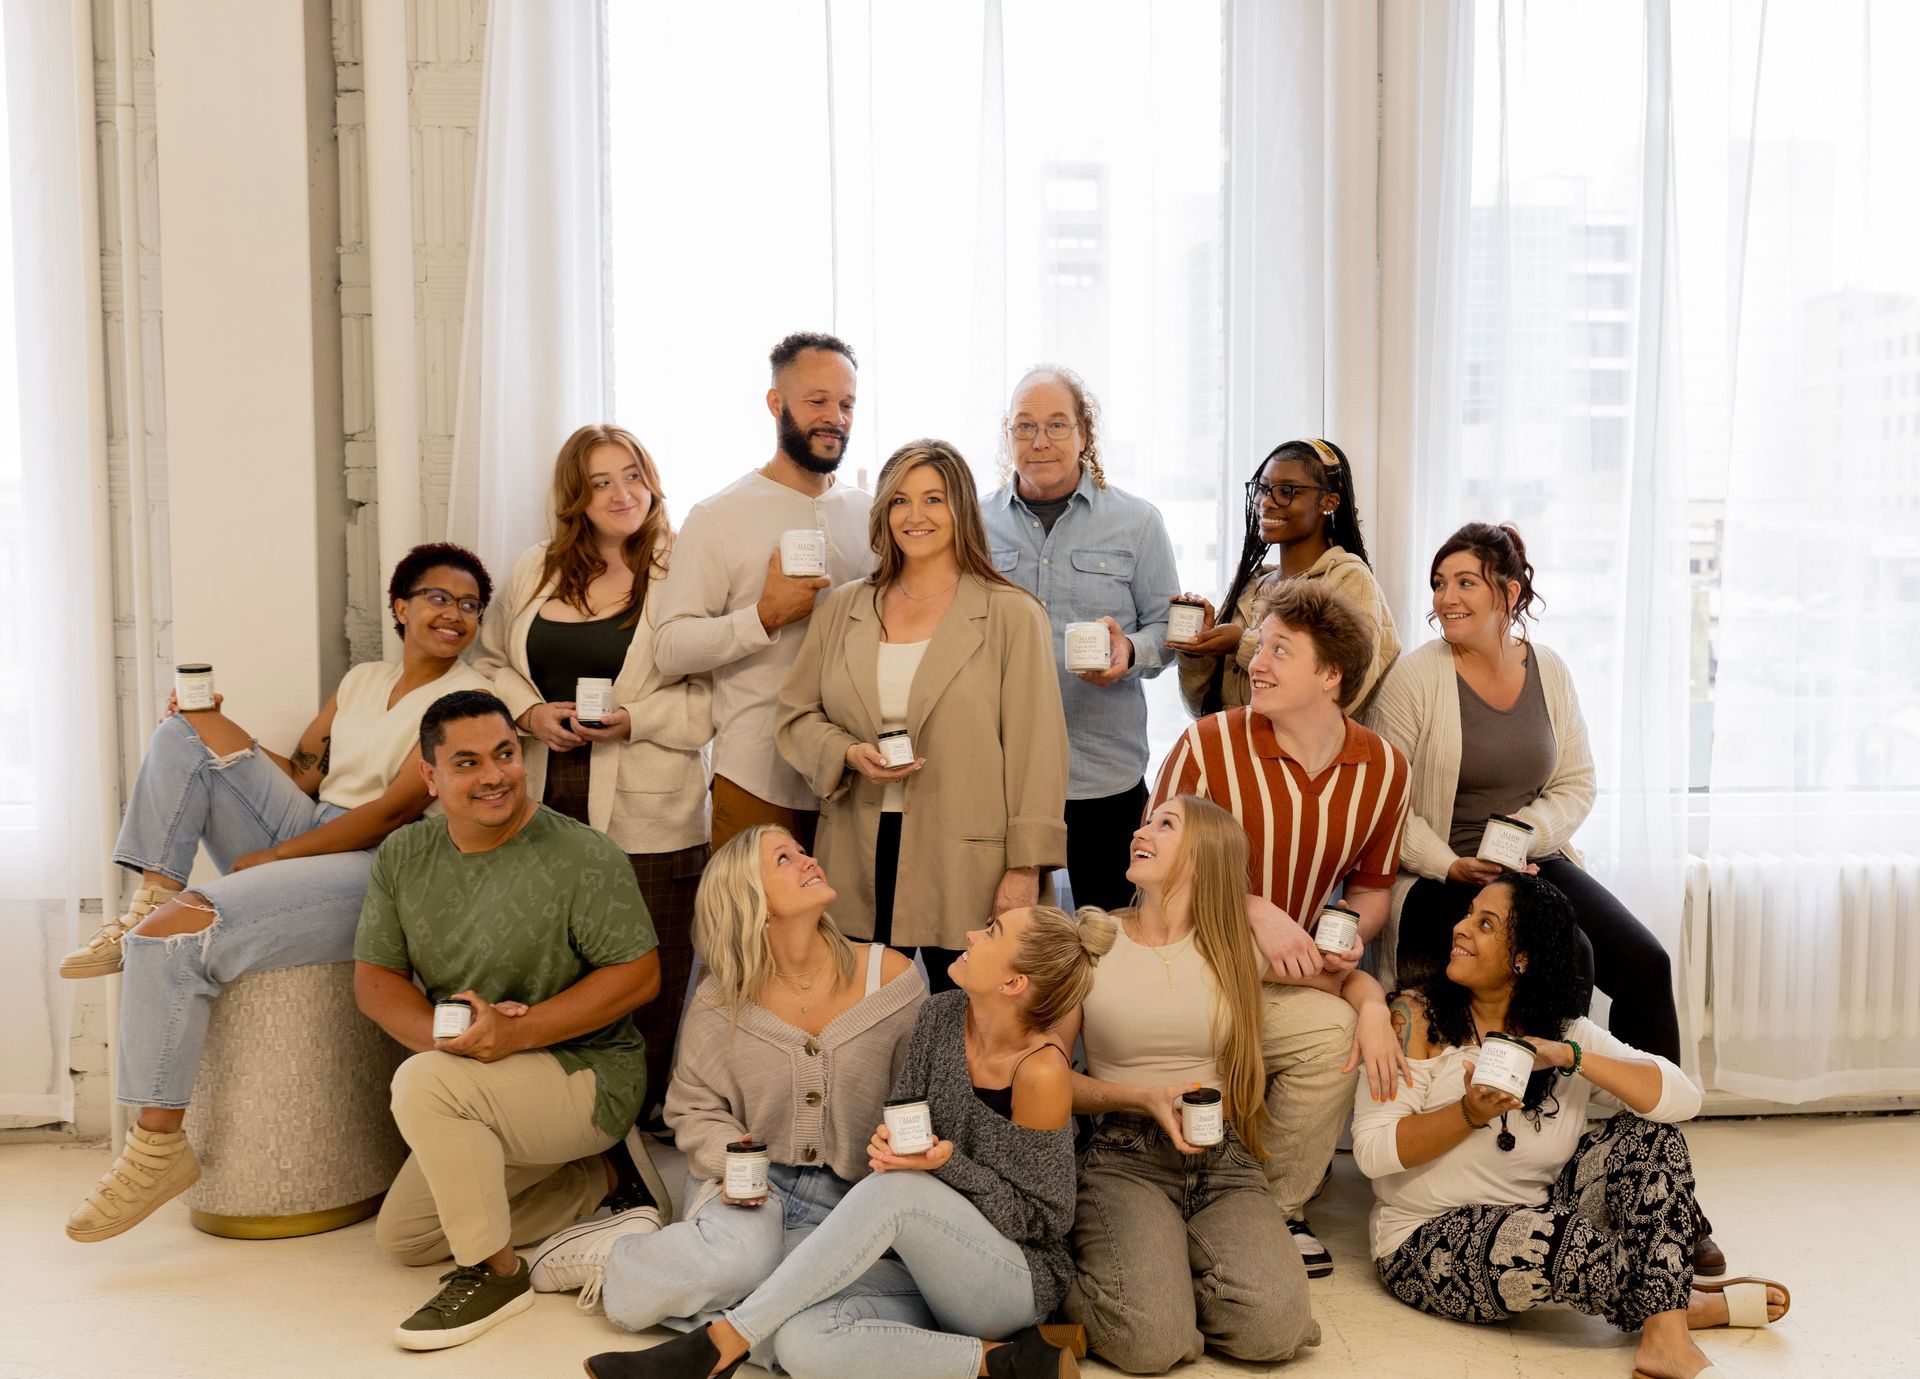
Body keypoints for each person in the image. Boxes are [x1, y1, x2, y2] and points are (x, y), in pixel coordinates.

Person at [60, 543, 497, 1244]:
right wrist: (216, 726)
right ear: (401, 606)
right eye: (439, 597)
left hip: (385, 861)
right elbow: (299, 774)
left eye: (470, 604)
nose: (455, 614)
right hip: (316, 824)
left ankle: (155, 1144)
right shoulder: (361, 680)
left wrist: (275, 856)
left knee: (187, 931)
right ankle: (148, 900)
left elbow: (389, 812)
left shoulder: (466, 700)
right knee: (181, 730)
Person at [1364, 520, 1727, 1274]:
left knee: (1641, 960)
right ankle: (1523, 1151)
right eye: (1438, 583)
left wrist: (1526, 836)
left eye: (1465, 581)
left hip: (1531, 860)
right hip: (1441, 871)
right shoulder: (1416, 676)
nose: (1446, 597)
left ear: (1511, 592)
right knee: (1565, 963)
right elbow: (1382, 803)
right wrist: (1449, 861)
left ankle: (1660, 1188)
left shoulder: (1548, 669)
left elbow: (1576, 783)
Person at [583, 904, 1115, 1379]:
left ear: (1014, 983)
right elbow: (905, 1115)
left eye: (992, 932)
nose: (972, 933)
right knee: (799, 1340)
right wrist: (893, 1146)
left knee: (897, 1195)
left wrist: (944, 1165)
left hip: (1008, 1281)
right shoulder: (941, 1014)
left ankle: (722, 1342)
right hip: (922, 1263)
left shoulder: (1042, 1071)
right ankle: (1004, 1363)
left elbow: (1046, 1220)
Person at [1355, 873, 1789, 1379]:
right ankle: (1676, 1304)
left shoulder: (1566, 1032)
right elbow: (1372, 1151)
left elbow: (1681, 1099)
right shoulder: (1413, 1018)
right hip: (1422, 1239)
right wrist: (1470, 1113)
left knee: (1652, 1137)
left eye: (1485, 923)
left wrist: (1570, 1057)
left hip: (1540, 1207)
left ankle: (1664, 1337)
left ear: (1524, 957)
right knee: (1552, 1239)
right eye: (1468, 914)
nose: (1461, 928)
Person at [528, 826, 922, 1358]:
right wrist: (737, 1160)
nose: (809, 861)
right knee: (744, 1262)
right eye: (785, 858)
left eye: (803, 851)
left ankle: (696, 1295)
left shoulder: (893, 979)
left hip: (850, 1198)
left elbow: (920, 1096)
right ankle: (615, 1259)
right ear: (750, 901)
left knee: (802, 1294)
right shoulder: (722, 1000)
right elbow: (692, 1106)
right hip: (747, 1184)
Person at [353, 689, 665, 1350]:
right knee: (404, 1236)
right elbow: (375, 983)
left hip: (585, 1073)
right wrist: (456, 1037)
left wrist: (518, 1031)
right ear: (430, 776)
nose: (494, 774)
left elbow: (639, 975)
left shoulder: (582, 854)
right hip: (477, 1074)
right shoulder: (403, 856)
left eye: (504, 753)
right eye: (467, 762)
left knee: (423, 1085)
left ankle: (497, 1275)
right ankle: (607, 1179)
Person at [1150, 580, 1413, 1277]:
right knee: (1343, 1009)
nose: (1255, 662)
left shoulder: (1383, 767)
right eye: (1259, 646)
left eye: (1279, 651)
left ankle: (1273, 1209)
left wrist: (1351, 928)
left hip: (1280, 974)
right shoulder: (1206, 744)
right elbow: (1149, 861)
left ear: (1331, 676)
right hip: (1189, 963)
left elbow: (1374, 885)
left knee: (1336, 1037)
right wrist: (1250, 906)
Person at [474, 423, 712, 1110]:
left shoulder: (683, 572)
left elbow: (714, 696)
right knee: (553, 963)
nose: (621, 493)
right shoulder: (536, 569)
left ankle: (635, 1124)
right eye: (601, 481)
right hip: (545, 793)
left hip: (651, 804)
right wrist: (527, 713)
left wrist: (639, 719)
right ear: (576, 496)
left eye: (633, 475)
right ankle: (562, 1113)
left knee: (648, 974)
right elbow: (489, 661)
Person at [778, 439, 1069, 987]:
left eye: (934, 500)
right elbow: (795, 717)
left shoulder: (1012, 615)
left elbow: (1038, 754)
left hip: (964, 864)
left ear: (961, 508)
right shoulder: (844, 607)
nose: (915, 517)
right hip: (855, 854)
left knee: (962, 1023)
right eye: (900, 501)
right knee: (858, 1021)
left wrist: (1025, 869)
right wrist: (846, 753)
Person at [1057, 796, 1330, 1371]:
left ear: (1204, 857)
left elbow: (1342, 983)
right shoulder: (1094, 938)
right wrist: (1137, 1097)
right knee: (1150, 1346)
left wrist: (1376, 1013)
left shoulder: (1235, 946)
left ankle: (1159, 1278)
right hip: (1123, 1155)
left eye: (1165, 824)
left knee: (1276, 1331)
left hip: (1222, 1160)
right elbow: (1048, 1076)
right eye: (1147, 820)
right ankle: (1090, 1278)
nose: (1141, 830)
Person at [652, 332, 871, 853]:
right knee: (755, 932)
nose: (835, 417)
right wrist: (764, 617)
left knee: (851, 932)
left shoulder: (873, 515)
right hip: (759, 777)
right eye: (817, 401)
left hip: (858, 777)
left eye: (846, 404)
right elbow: (670, 648)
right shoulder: (717, 516)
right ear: (775, 403)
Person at [983, 366, 1179, 912]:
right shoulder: (973, 524)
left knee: (1113, 941)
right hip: (1004, 781)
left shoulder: (1138, 523)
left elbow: (1169, 629)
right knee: (1012, 943)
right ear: (1007, 434)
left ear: (1084, 434)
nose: (1040, 441)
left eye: (1056, 425)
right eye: (1024, 426)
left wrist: (1130, 653)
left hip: (1105, 777)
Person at [1172, 438, 1398, 718]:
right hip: (1238, 757)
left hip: (1305, 761)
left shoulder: (1348, 579)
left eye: (1286, 491)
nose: (1266, 502)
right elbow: (1203, 710)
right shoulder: (1251, 586)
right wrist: (1199, 654)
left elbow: (1346, 694)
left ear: (1329, 502)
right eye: (1263, 489)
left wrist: (1242, 643)